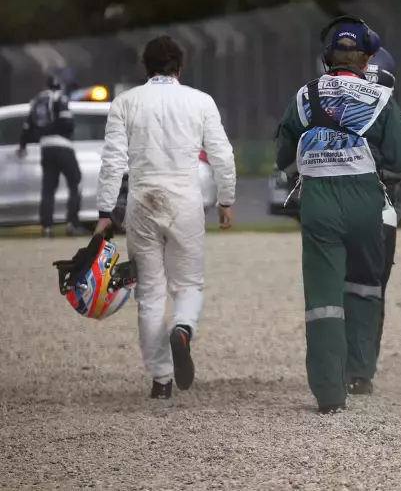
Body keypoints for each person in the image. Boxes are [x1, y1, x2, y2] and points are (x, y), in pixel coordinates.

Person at [275, 17, 401, 413]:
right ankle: (360, 371)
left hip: (318, 203)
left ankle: (328, 393)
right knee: (366, 287)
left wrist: (301, 170)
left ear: (327, 57)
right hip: (366, 202)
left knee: (323, 299)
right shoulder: (381, 98)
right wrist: (383, 175)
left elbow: (284, 155)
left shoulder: (305, 96)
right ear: (368, 58)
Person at [95, 36, 237, 400]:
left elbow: (112, 162)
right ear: (180, 67)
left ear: (145, 66)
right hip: (185, 203)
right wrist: (225, 200)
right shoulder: (200, 101)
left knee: (151, 295)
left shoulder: (125, 103)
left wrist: (105, 212)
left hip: (143, 202)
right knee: (188, 284)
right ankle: (184, 329)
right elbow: (222, 154)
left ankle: (160, 380)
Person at [364, 48, 401, 366]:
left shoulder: (335, 110)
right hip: (381, 213)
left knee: (339, 289)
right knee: (374, 291)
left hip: (337, 211)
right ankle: (365, 366)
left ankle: (340, 361)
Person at [18, 72, 85, 238]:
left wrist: (23, 145)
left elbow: (27, 127)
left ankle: (47, 227)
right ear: (59, 86)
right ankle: (72, 223)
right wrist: (68, 132)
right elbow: (67, 121)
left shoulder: (37, 102)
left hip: (45, 147)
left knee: (48, 188)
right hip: (62, 145)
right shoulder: (59, 98)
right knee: (75, 181)